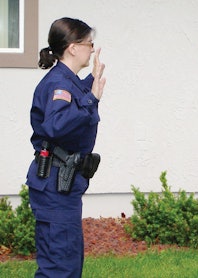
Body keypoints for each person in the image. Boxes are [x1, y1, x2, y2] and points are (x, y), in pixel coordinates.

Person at [26, 17, 106, 277]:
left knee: (68, 263)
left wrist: (92, 79)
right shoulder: (59, 83)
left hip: (62, 186)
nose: (91, 48)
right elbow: (57, 124)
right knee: (58, 267)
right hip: (54, 187)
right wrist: (92, 99)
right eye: (88, 43)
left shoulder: (66, 80)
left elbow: (72, 101)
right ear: (73, 47)